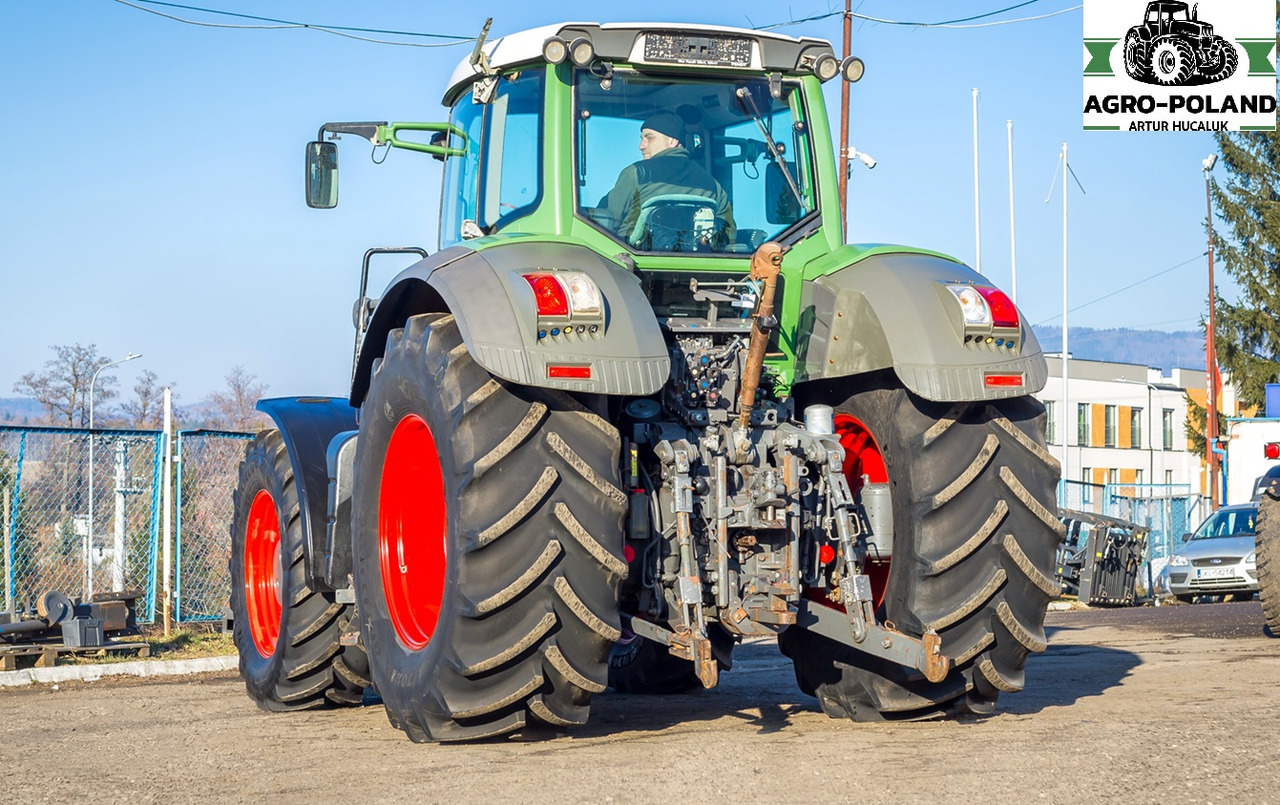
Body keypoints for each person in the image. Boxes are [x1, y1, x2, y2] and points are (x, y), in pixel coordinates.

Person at [598, 111, 735, 248]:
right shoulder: (711, 183)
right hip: (694, 261)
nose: (641, 146)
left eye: (649, 138)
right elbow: (728, 232)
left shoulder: (636, 173)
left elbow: (604, 221)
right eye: (642, 139)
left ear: (672, 141)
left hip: (632, 257)